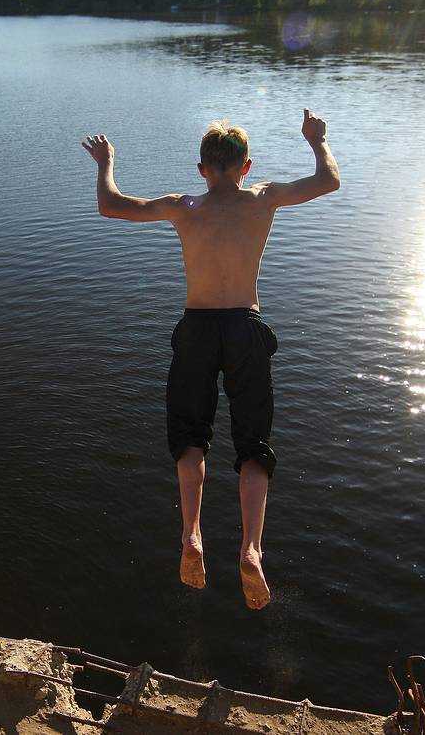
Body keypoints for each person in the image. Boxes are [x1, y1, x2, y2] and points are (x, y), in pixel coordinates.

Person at [81, 111, 340, 609]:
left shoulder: (186, 206)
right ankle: (251, 549)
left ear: (202, 169)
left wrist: (106, 162)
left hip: (197, 330)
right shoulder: (263, 198)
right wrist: (318, 140)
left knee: (190, 436)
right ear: (247, 166)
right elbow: (329, 180)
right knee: (253, 443)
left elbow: (110, 206)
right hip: (245, 328)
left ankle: (192, 536)